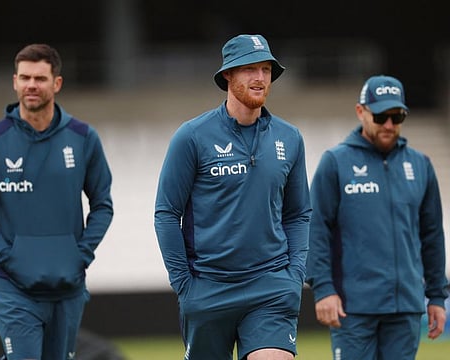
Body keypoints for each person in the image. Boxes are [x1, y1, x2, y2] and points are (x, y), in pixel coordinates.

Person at [154, 34, 312, 360]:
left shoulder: (290, 138)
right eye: (249, 69)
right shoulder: (192, 136)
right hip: (208, 288)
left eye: (266, 69)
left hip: (271, 285)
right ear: (228, 75)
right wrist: (184, 285)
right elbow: (167, 213)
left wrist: (294, 274)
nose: (259, 78)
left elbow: (298, 214)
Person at [0, 44, 113, 360]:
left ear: (56, 83)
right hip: (14, 288)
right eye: (24, 77)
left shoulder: (83, 138)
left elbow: (102, 204)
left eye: (39, 78)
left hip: (68, 287)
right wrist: (8, 257)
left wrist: (81, 254)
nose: (31, 85)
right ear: (15, 82)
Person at [306, 75, 448, 360]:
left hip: (405, 307)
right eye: (381, 115)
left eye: (397, 116)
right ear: (361, 112)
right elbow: (316, 230)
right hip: (353, 307)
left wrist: (436, 296)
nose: (388, 125)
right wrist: (323, 289)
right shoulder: (335, 162)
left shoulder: (420, 165)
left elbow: (432, 235)